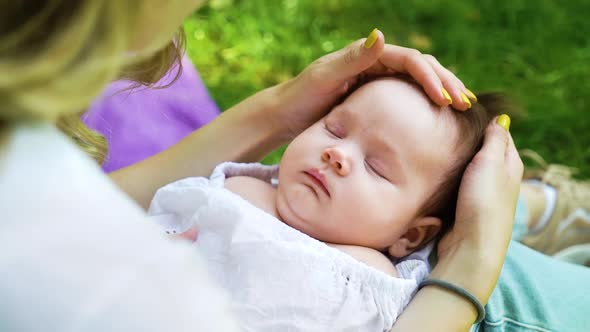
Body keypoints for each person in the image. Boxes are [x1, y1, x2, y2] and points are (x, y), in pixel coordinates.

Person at [0, 1, 586, 332]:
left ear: (410, 237)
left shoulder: (369, 275)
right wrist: (473, 264)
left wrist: (281, 109)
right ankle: (542, 214)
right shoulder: (86, 297)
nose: (337, 151)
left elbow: (88, 211)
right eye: (334, 129)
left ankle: (542, 211)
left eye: (378, 167)